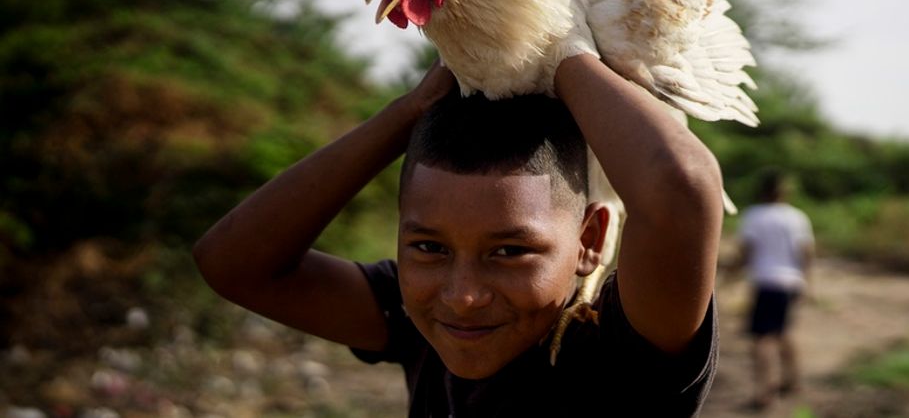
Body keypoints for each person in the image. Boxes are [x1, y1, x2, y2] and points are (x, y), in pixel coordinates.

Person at [192, 40, 726, 416]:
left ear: (588, 241)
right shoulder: (416, 324)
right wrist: (411, 110)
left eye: (511, 251)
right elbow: (232, 263)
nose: (463, 296)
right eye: (428, 247)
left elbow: (680, 187)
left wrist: (558, 46)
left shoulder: (615, 355)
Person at [738, 170, 815, 410]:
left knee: (762, 339)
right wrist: (808, 283)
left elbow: (746, 252)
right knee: (782, 331)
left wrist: (729, 274)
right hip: (791, 283)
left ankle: (764, 393)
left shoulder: (755, 216)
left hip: (767, 283)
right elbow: (807, 253)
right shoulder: (797, 217)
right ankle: (793, 381)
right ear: (784, 191)